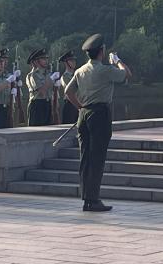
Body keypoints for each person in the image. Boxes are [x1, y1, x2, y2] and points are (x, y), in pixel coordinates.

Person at [64, 33, 131, 212]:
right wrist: (117, 60)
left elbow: (68, 92)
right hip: (99, 114)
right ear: (101, 51)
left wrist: (80, 107)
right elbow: (126, 74)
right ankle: (93, 200)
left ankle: (86, 199)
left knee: (85, 159)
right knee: (97, 158)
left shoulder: (80, 71)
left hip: (84, 115)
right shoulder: (105, 70)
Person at [26, 48, 59, 126]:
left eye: (47, 58)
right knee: (37, 130)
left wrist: (57, 84)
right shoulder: (33, 75)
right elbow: (42, 92)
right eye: (43, 59)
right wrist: (51, 79)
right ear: (36, 61)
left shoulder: (48, 73)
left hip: (48, 104)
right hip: (37, 105)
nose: (46, 61)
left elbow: (52, 92)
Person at [58, 51, 78, 124]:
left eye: (74, 60)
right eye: (71, 60)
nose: (74, 62)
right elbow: (70, 90)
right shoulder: (65, 77)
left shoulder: (77, 75)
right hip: (70, 104)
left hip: (79, 104)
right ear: (66, 63)